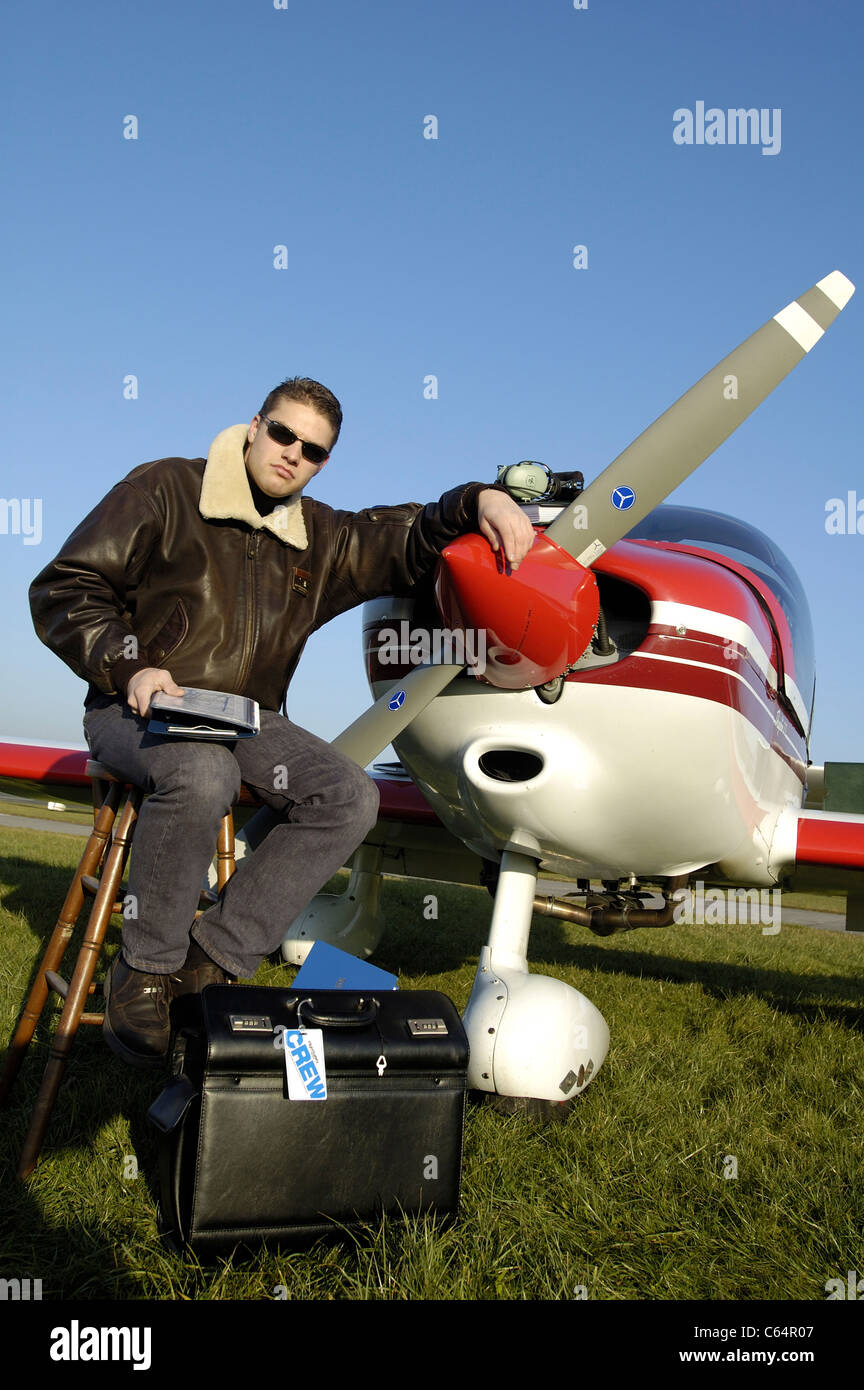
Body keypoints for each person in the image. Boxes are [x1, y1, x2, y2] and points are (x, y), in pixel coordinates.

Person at [29, 377, 534, 1067]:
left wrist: (483, 497)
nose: (294, 454)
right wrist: (130, 665)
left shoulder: (319, 536)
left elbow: (406, 538)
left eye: (315, 450)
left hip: (248, 721)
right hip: (134, 707)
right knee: (200, 772)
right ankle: (143, 970)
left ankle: (211, 962)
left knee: (349, 796)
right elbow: (66, 588)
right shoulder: (166, 489)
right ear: (254, 427)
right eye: (284, 434)